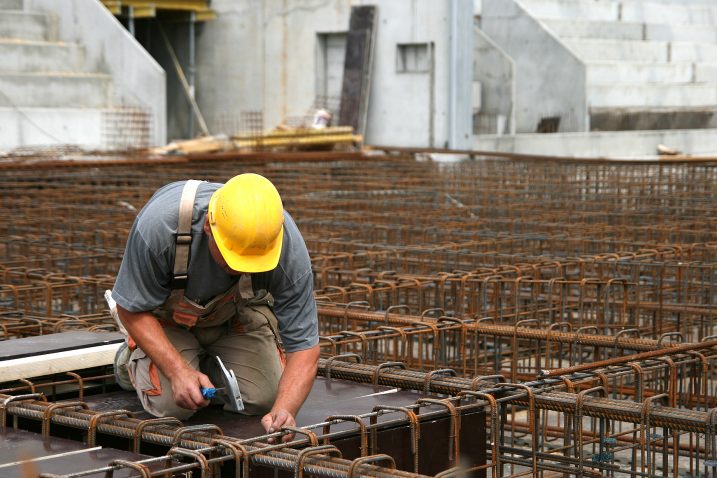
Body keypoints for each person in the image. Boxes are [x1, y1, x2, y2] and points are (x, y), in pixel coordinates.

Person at [111, 173, 319, 437]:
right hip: (168, 321)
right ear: (209, 226)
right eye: (234, 258)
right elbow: (129, 308)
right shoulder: (160, 226)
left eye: (253, 261)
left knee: (265, 398)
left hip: (233, 316)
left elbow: (305, 347)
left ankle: (201, 365)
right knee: (174, 406)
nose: (241, 267)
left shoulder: (281, 241)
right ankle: (129, 361)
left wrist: (285, 410)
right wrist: (177, 371)